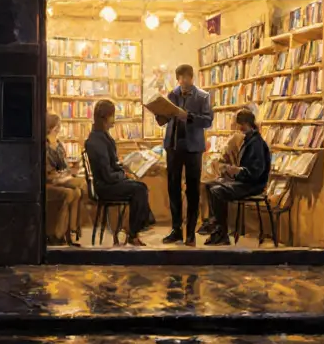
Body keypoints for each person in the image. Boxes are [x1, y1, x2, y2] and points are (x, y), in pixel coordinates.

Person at [154, 64, 213, 245]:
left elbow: (208, 120)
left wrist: (187, 116)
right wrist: (159, 114)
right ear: (178, 79)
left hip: (193, 148)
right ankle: (176, 229)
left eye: (188, 78)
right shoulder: (172, 95)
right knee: (173, 188)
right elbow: (164, 120)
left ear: (192, 78)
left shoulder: (203, 96)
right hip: (173, 146)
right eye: (181, 78)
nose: (184, 82)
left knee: (193, 190)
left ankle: (191, 233)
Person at [85, 100, 155, 246]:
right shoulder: (96, 141)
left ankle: (137, 228)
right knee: (139, 189)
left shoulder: (102, 137)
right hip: (105, 187)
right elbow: (107, 175)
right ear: (105, 117)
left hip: (108, 182)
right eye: (112, 116)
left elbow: (111, 166)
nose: (114, 120)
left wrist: (123, 169)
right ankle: (136, 231)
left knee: (140, 187)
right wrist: (123, 175)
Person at [204, 109, 271, 246]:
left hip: (253, 185)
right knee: (209, 185)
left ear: (246, 123)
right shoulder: (248, 139)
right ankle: (214, 225)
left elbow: (255, 172)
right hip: (245, 181)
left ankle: (221, 233)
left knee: (217, 191)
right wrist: (230, 171)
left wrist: (237, 171)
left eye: (239, 124)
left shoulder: (256, 143)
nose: (237, 127)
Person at [44, 112, 82, 246]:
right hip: (47, 182)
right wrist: (60, 176)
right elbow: (47, 171)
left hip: (59, 179)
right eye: (57, 125)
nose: (59, 128)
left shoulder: (58, 145)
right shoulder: (44, 145)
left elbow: (63, 166)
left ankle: (69, 233)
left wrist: (69, 171)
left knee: (77, 192)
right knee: (71, 192)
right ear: (51, 127)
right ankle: (58, 235)